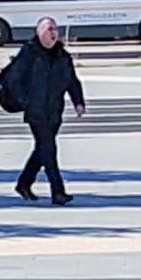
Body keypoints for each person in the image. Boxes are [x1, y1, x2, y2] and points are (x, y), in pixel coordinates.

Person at [11, 17, 85, 206]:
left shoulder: (63, 56)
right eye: (49, 29)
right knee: (49, 149)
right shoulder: (29, 53)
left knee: (42, 150)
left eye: (55, 29)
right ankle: (58, 192)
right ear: (39, 32)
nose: (53, 33)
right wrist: (25, 102)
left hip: (54, 111)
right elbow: (14, 80)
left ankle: (24, 183)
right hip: (35, 111)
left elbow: (72, 81)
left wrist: (78, 102)